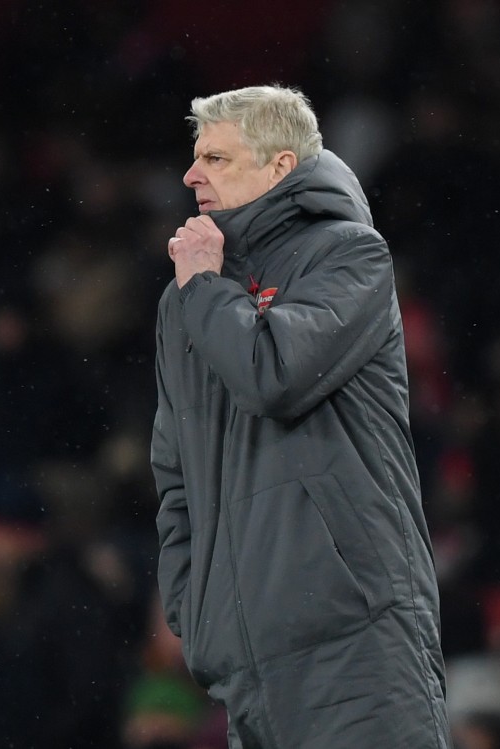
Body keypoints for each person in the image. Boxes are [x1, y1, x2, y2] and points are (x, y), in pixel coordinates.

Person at [151, 85, 451, 748]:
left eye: (218, 159)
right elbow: (174, 474)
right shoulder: (183, 305)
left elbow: (274, 374)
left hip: (356, 645)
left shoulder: (348, 255)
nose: (191, 174)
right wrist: (195, 606)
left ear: (280, 167)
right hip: (248, 661)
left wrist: (203, 284)